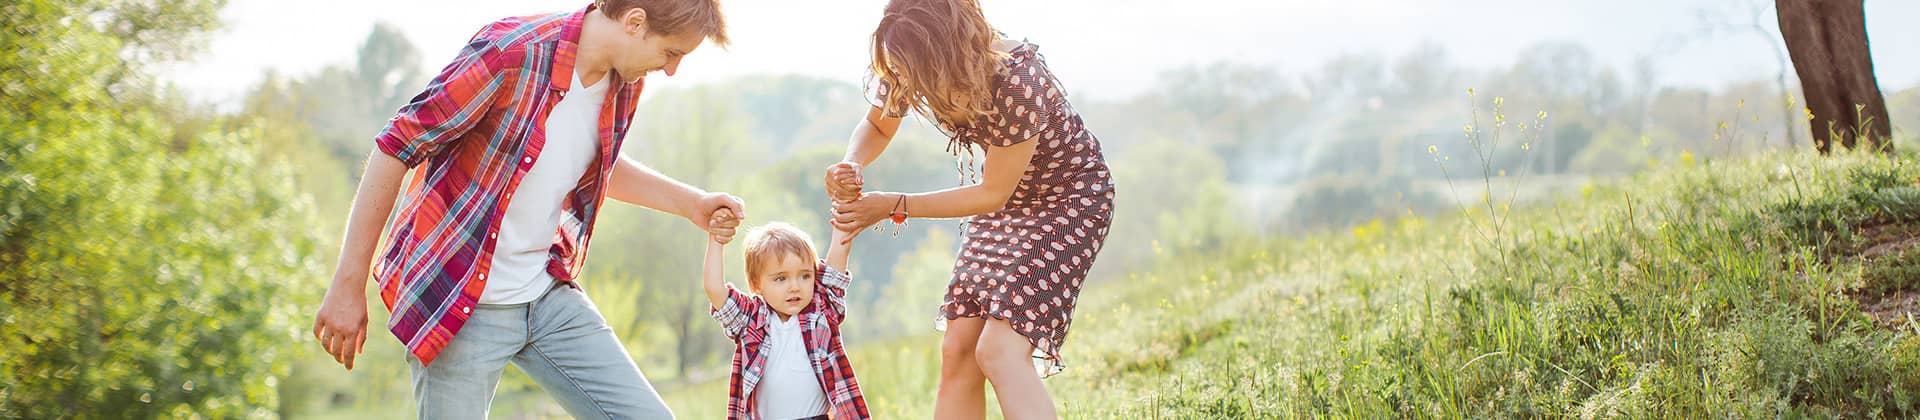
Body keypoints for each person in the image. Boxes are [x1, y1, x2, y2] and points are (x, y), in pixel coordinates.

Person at [309, 1, 739, 418]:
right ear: (634, 22)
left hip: (545, 295)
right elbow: (395, 146)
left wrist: (692, 205)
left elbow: (594, 160)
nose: (671, 70)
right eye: (670, 52)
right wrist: (349, 284)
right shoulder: (511, 52)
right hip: (460, 302)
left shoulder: (624, 82)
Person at [823, 0, 1116, 418]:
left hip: (1069, 203)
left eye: (919, 75)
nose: (911, 85)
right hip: (1006, 202)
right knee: (958, 347)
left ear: (947, 53)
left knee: (998, 350)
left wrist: (893, 206)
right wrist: (852, 161)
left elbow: (991, 193)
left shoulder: (1017, 80)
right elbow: (876, 124)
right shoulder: (909, 56)